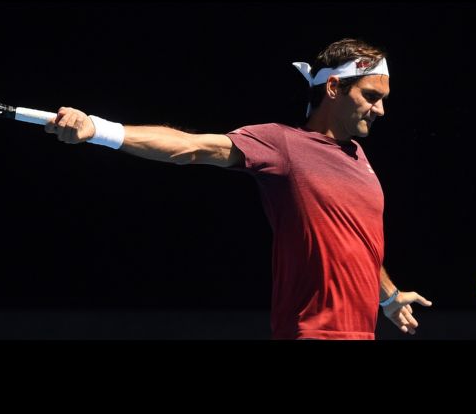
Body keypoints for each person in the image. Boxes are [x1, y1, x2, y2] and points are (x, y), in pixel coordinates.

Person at [45, 38, 432, 340]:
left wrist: (388, 295)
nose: (380, 110)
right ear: (333, 87)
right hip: (312, 332)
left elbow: (357, 241)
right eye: (371, 96)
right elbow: (191, 147)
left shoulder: (358, 157)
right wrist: (98, 128)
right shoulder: (283, 145)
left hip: (361, 333)